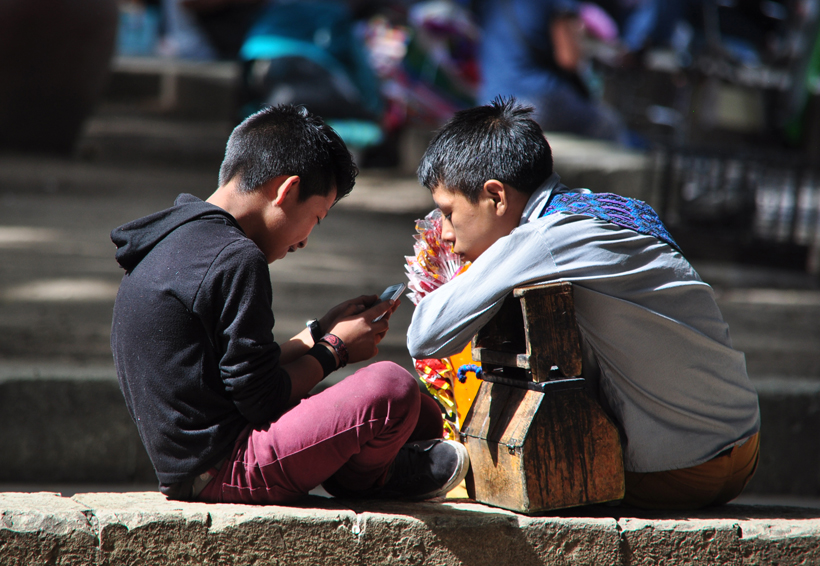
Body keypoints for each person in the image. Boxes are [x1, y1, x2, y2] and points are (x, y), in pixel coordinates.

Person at [406, 97, 760, 510]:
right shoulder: (612, 208)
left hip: (679, 470)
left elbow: (425, 335)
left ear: (496, 197)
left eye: (449, 213)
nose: (445, 233)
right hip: (744, 445)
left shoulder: (545, 238)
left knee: (509, 473)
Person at [110, 103, 469, 505]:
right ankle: (363, 481)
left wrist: (321, 330)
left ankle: (365, 471)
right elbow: (261, 398)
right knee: (393, 386)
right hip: (224, 465)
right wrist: (337, 350)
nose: (303, 242)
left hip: (201, 460)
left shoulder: (180, 237)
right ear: (287, 190)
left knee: (421, 416)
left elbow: (237, 373)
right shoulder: (235, 258)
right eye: (316, 218)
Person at [473, 0, 629, 144]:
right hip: (537, 101)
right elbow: (569, 59)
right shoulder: (558, 3)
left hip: (490, 102)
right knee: (610, 126)